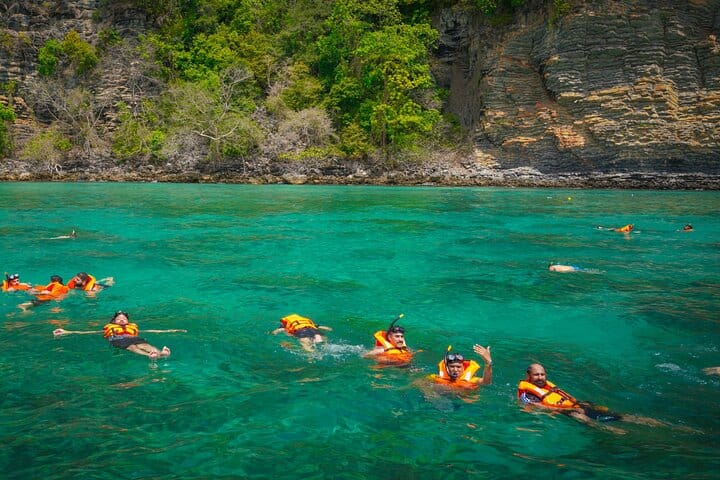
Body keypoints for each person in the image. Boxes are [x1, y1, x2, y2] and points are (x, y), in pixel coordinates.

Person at [518, 363, 663, 433]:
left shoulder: (548, 387)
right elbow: (535, 407)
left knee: (618, 415)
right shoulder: (527, 394)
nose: (540, 377)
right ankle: (610, 430)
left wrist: (582, 404)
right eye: (536, 375)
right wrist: (567, 410)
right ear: (528, 376)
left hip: (578, 407)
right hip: (568, 412)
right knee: (578, 416)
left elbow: (568, 398)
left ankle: (654, 423)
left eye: (542, 374)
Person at [53, 310, 186, 360]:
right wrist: (67, 331)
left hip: (134, 338)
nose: (122, 320)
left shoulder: (132, 327)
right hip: (118, 339)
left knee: (146, 345)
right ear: (114, 321)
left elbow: (152, 330)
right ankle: (149, 356)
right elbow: (88, 332)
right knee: (133, 348)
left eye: (124, 318)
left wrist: (172, 330)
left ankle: (161, 354)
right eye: (119, 319)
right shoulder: (110, 328)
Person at [428, 345, 493, 389]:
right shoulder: (436, 377)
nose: (455, 369)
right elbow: (423, 383)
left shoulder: (471, 380)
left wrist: (488, 363)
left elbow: (486, 382)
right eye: (452, 366)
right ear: (447, 367)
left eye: (458, 367)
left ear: (463, 367)